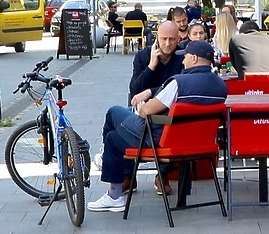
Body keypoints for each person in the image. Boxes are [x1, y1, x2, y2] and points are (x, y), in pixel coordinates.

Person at [87, 40, 228, 213]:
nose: (182, 61)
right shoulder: (221, 86)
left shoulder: (179, 84)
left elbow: (146, 112)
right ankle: (113, 190)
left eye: (185, 57)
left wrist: (141, 108)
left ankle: (113, 187)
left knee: (113, 112)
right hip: (198, 144)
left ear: (194, 58)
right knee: (113, 139)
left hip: (160, 140)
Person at [128, 21, 184, 100]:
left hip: (173, 108)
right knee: (114, 110)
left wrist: (151, 91)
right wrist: (151, 66)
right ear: (157, 38)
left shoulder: (183, 57)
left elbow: (182, 88)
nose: (167, 43)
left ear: (178, 39)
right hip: (145, 107)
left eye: (172, 39)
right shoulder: (142, 56)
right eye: (164, 39)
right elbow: (134, 91)